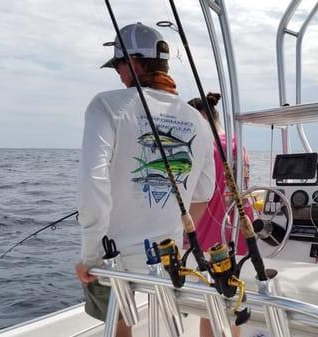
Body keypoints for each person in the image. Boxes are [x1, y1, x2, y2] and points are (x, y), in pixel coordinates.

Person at [75, 23, 215, 337]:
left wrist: (89, 256)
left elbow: (92, 182)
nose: (119, 75)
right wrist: (174, 234)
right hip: (170, 257)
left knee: (119, 321)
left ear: (135, 63)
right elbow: (204, 193)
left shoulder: (106, 105)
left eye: (119, 66)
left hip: (114, 258)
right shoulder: (198, 121)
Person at [189, 93, 254, 337]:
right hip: (238, 235)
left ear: (200, 117)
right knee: (233, 301)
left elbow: (199, 196)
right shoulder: (239, 145)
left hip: (210, 237)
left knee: (210, 306)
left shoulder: (207, 147)